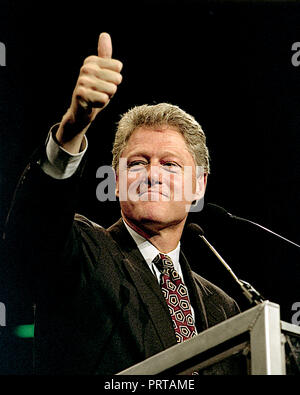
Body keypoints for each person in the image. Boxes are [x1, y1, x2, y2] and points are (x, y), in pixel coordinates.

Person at [4, 33, 240, 375]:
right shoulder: (84, 254)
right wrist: (71, 130)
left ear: (199, 185)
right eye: (137, 163)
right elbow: (31, 234)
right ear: (115, 181)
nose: (151, 175)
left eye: (170, 164)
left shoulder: (224, 305)